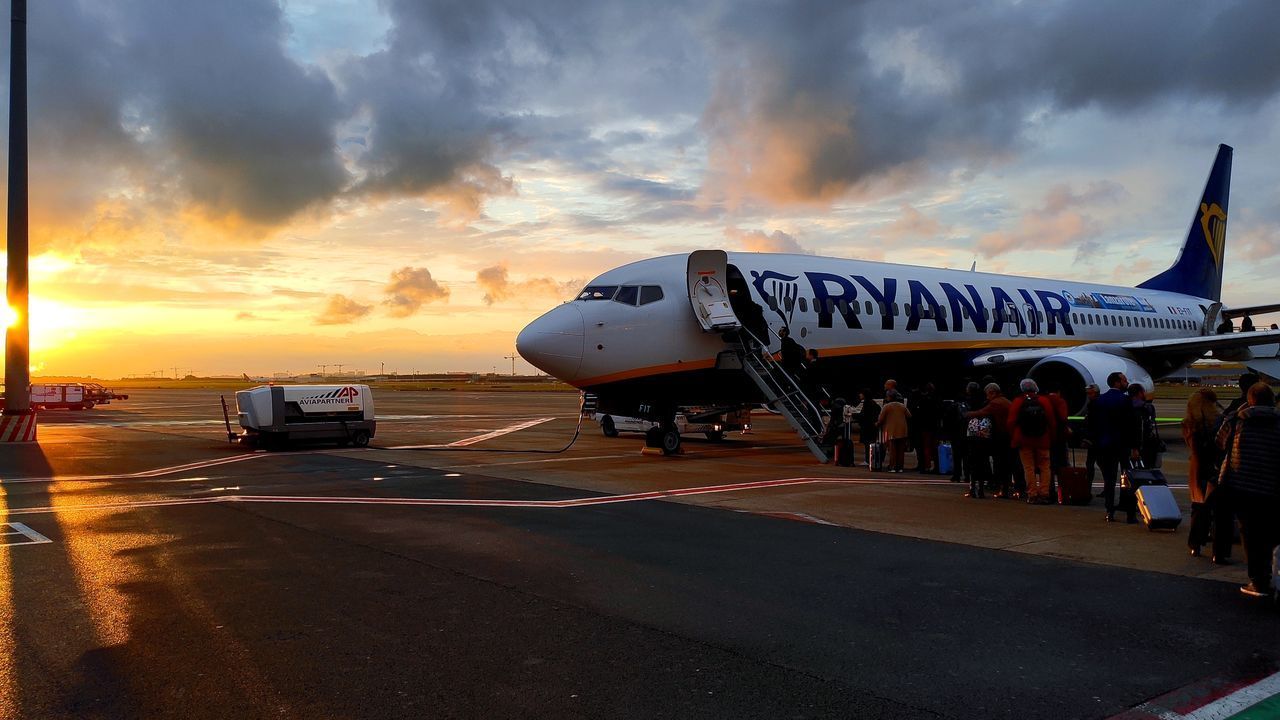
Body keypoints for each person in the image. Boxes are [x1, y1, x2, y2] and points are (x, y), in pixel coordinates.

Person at [1215, 382, 1280, 598]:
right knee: (1271, 532)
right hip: (1272, 487)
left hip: (1242, 488)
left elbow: (1220, 442)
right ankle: (1273, 574)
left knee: (1250, 534)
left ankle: (1258, 581)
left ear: (1249, 400)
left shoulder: (1237, 420)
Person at [1182, 389, 1227, 559]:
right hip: (1216, 468)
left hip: (1197, 469)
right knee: (1220, 511)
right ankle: (1219, 551)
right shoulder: (1220, 421)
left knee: (1198, 509)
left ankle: (1195, 545)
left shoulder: (1189, 424)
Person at [1094, 371, 1140, 522]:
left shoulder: (1100, 400)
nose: (1126, 383)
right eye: (1124, 381)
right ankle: (1130, 513)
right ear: (1117, 383)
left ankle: (1109, 511)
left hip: (1105, 445)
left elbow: (1096, 425)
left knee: (1109, 479)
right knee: (1128, 479)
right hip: (1123, 445)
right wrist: (1135, 447)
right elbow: (1133, 425)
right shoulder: (1126, 400)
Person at [1008, 379, 1058, 504]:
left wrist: (1013, 436)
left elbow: (1011, 422)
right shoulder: (1044, 401)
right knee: (1045, 467)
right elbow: (1051, 421)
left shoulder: (1018, 401)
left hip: (1023, 439)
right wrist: (1052, 436)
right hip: (1042, 439)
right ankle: (1044, 493)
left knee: (1028, 468)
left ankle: (1032, 494)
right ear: (1035, 388)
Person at [966, 383, 1012, 497]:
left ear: (993, 392)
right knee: (1006, 464)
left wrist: (967, 414)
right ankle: (1005, 488)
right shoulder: (1006, 401)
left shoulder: (996, 403)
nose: (987, 397)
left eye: (988, 394)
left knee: (988, 462)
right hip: (1008, 436)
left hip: (1000, 437)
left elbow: (982, 412)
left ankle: (986, 488)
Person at [962, 382, 990, 498]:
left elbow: (964, 415)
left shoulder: (968, 402)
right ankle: (981, 488)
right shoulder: (985, 401)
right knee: (982, 460)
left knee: (972, 460)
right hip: (984, 428)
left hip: (973, 429)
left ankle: (973, 487)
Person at [1128, 384, 1163, 468]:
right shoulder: (1147, 407)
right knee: (1148, 468)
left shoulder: (1126, 406)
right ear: (1140, 393)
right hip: (1145, 445)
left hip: (1128, 445)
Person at [909, 383, 940, 473]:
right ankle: (934, 466)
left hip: (924, 426)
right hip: (933, 425)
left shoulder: (923, 401)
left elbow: (918, 414)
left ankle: (926, 466)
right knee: (933, 446)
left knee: (926, 446)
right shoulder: (935, 399)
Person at [877, 390, 911, 473]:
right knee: (900, 450)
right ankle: (900, 467)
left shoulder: (886, 406)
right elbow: (909, 416)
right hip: (903, 431)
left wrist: (877, 423)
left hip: (891, 431)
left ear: (888, 397)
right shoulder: (902, 406)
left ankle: (892, 467)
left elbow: (880, 419)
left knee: (892, 450)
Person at [1081, 384, 1101, 493]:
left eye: (1090, 393)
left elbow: (1093, 423)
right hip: (1095, 439)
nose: (1089, 395)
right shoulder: (1093, 404)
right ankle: (1087, 487)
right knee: (1092, 464)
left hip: (1095, 440)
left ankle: (1088, 487)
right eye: (1087, 393)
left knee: (1092, 464)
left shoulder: (1095, 405)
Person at [856, 388, 882, 467]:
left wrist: (855, 415)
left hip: (867, 426)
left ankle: (868, 460)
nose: (859, 395)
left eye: (861, 393)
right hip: (872, 426)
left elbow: (863, 415)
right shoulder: (873, 402)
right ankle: (871, 459)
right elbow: (879, 409)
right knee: (871, 442)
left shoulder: (866, 403)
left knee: (867, 443)